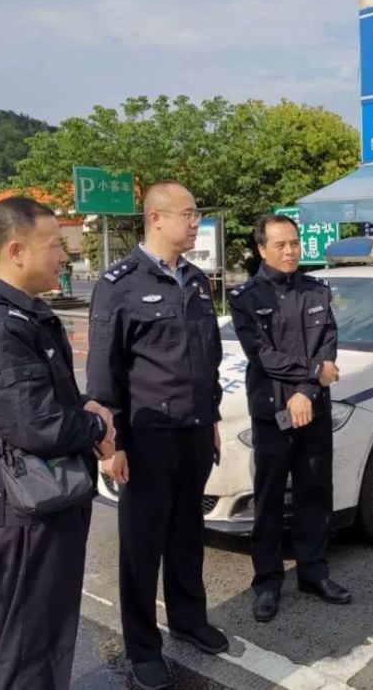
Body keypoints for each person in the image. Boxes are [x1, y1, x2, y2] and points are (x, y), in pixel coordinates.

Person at [0, 196, 116, 690]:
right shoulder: (2, 323)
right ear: (17, 250)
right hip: (25, 514)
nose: (64, 257)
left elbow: (40, 401)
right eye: (55, 246)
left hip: (36, 506)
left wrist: (84, 408)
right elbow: (32, 425)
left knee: (36, 634)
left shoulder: (20, 314)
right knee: (27, 643)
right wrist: (98, 429)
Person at [86, 180, 227, 690]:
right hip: (146, 437)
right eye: (188, 214)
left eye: (197, 213)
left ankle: (189, 619)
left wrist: (211, 419)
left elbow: (205, 359)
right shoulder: (119, 283)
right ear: (157, 219)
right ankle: (143, 646)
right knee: (142, 547)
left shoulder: (195, 279)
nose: (196, 222)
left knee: (188, 536)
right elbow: (103, 374)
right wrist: (110, 444)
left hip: (193, 432)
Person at [229, 214, 350, 623]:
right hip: (272, 413)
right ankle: (266, 581)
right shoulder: (246, 297)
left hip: (312, 408)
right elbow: (262, 356)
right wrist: (312, 374)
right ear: (262, 249)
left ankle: (314, 573)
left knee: (315, 493)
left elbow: (328, 349)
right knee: (269, 498)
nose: (290, 251)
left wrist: (308, 390)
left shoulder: (317, 290)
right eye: (280, 245)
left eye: (295, 243)